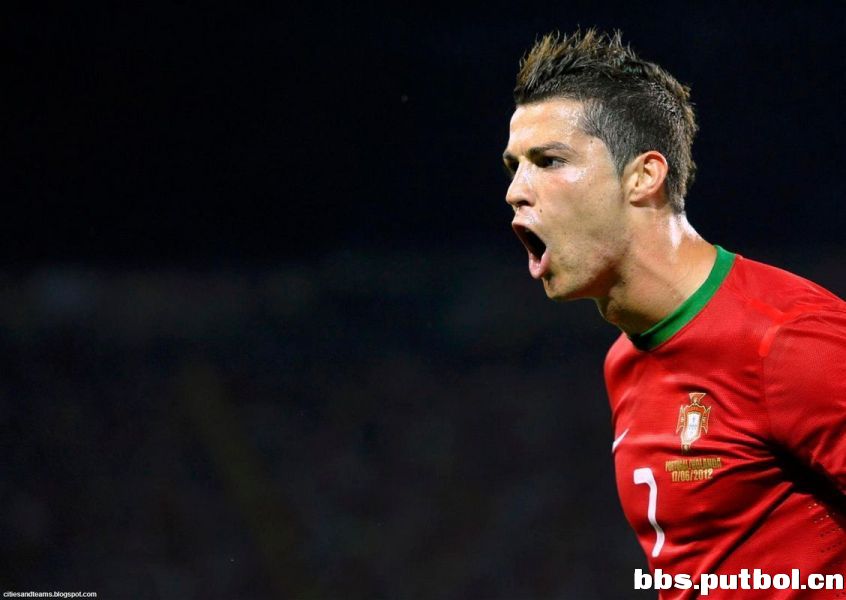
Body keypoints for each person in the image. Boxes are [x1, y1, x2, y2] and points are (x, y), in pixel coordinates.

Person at [502, 29, 845, 598]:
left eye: (549, 161)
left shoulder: (786, 339)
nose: (515, 191)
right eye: (514, 167)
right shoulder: (624, 360)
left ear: (644, 176)